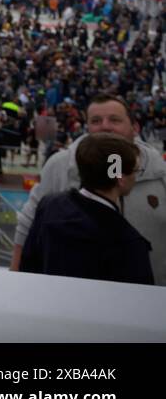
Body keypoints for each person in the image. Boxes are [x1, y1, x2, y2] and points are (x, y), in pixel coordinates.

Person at [11, 94, 166, 286]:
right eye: (96, 121)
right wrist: (15, 281)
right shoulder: (60, 165)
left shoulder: (159, 172)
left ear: (135, 128)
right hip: (67, 299)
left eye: (115, 120)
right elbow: (26, 225)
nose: (105, 126)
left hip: (148, 301)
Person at [20, 133, 153, 285]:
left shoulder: (50, 205)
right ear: (120, 178)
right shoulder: (127, 242)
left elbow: (28, 266)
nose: (136, 177)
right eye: (136, 170)